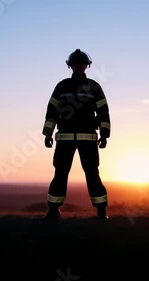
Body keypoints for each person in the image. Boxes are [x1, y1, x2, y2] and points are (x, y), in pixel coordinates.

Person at [41, 49, 111, 220]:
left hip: (88, 139)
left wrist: (105, 134)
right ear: (70, 65)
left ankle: (101, 210)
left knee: (92, 174)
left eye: (82, 63)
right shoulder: (61, 86)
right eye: (75, 63)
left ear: (87, 65)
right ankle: (53, 210)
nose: (79, 66)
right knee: (60, 174)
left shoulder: (94, 87)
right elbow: (51, 111)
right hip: (64, 138)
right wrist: (48, 133)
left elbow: (103, 111)